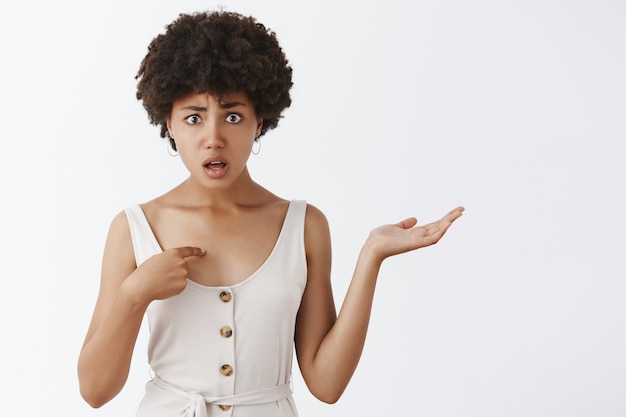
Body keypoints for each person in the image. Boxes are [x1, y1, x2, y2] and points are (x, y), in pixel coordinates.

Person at [77, 10, 464, 417]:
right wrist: (135, 294)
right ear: (168, 123)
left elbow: (327, 385)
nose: (213, 138)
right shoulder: (135, 228)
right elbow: (94, 391)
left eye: (232, 116)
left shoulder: (303, 226)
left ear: (259, 121)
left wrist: (371, 257)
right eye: (193, 118)